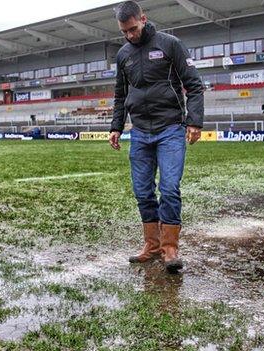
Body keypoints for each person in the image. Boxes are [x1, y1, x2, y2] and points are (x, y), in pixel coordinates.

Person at [109, 1, 204, 274]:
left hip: (170, 129)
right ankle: (151, 246)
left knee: (170, 188)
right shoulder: (123, 54)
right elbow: (120, 95)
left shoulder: (170, 44)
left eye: (133, 29)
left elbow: (194, 85)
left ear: (143, 19)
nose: (130, 35)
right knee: (142, 192)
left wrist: (194, 121)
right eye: (124, 32)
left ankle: (170, 248)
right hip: (139, 132)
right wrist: (116, 127)